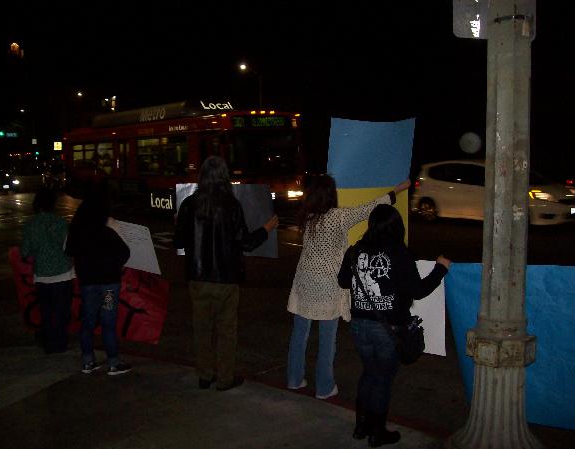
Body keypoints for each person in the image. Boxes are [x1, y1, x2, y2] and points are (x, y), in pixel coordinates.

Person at [286, 174, 411, 399]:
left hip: (304, 280)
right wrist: (399, 189)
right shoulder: (339, 216)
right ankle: (324, 387)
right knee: (327, 338)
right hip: (328, 284)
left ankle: (294, 379)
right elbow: (371, 207)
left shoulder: (307, 216)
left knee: (299, 333)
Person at [337, 204, 450, 447]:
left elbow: (343, 281)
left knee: (369, 372)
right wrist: (441, 269)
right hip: (388, 328)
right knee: (382, 379)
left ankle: (361, 426)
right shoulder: (399, 253)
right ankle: (377, 432)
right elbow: (418, 291)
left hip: (359, 325)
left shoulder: (355, 251)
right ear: (397, 227)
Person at [174, 156, 278, 391]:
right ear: (224, 177)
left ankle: (204, 375)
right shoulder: (232, 205)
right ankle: (224, 379)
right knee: (226, 331)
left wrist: (178, 224)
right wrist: (267, 229)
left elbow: (178, 241)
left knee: (201, 329)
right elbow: (246, 243)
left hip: (198, 278)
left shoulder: (189, 205)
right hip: (227, 279)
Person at [65, 187, 131, 375]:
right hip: (109, 284)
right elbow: (125, 253)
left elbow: (69, 250)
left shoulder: (78, 230)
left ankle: (88, 361)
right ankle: (113, 362)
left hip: (88, 284)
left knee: (88, 320)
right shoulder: (107, 230)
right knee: (108, 321)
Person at [21, 187, 74, 354]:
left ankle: (49, 344)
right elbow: (68, 248)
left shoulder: (30, 225)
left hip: (42, 276)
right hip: (63, 274)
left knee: (46, 311)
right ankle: (61, 343)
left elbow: (25, 252)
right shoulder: (61, 223)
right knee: (62, 311)